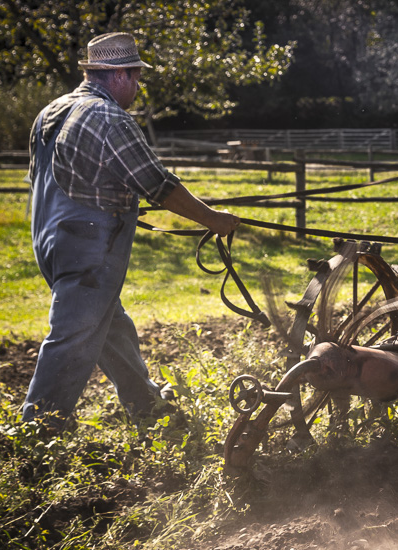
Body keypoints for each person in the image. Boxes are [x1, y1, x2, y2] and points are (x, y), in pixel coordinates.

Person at [22, 32, 240, 434]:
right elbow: (157, 183)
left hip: (52, 242)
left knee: (110, 326)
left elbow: (56, 179)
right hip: (90, 248)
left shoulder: (51, 111)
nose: (138, 87)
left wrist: (115, 202)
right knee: (71, 338)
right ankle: (36, 434)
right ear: (118, 74)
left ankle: (147, 405)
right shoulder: (108, 117)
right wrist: (212, 218)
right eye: (136, 77)